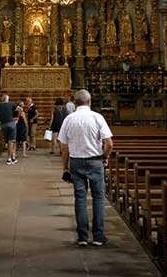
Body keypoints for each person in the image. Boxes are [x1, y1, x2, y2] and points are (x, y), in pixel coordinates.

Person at [58, 89, 113, 247]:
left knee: (80, 199)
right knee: (98, 198)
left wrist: (64, 168)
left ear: (75, 103)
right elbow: (109, 144)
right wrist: (104, 157)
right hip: (95, 161)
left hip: (76, 162)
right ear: (89, 102)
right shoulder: (97, 117)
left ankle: (82, 237)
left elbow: (64, 147)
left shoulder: (69, 119)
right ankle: (98, 236)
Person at [0, 94, 19, 165]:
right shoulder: (11, 104)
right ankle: (9, 158)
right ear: (7, 99)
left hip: (3, 125)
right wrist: (17, 118)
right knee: (11, 141)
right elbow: (20, 109)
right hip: (11, 124)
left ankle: (13, 157)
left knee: (9, 142)